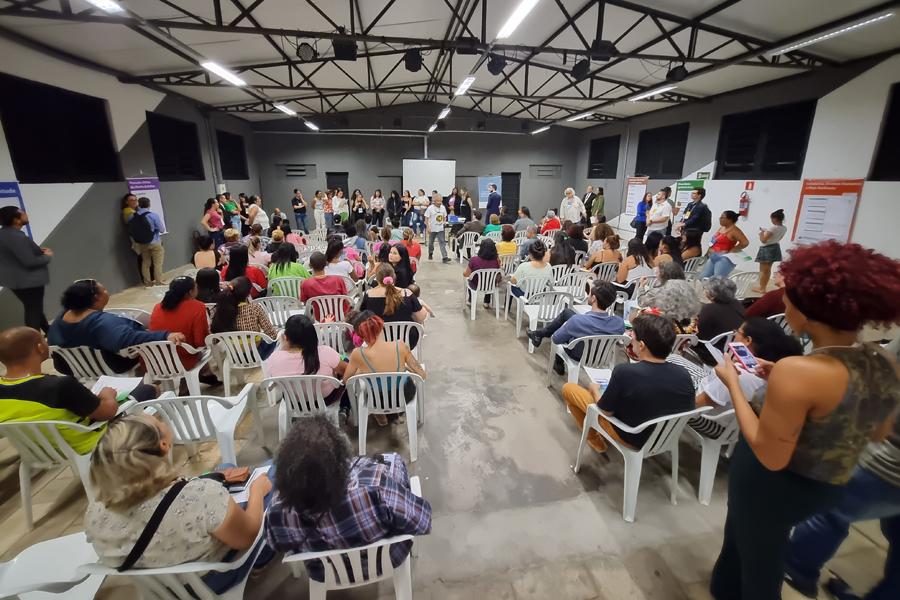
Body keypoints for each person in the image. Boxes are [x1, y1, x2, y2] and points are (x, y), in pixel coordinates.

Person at [707, 241, 900, 600]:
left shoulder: (800, 373)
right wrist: (782, 379)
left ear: (809, 312)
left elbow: (770, 454)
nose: (783, 304)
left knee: (759, 567)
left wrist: (734, 384)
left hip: (772, 487)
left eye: (788, 298)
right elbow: (878, 430)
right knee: (745, 547)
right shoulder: (880, 360)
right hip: (829, 483)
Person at [85, 413, 272, 591]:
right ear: (164, 444)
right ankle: (261, 559)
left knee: (226, 469)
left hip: (161, 588)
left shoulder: (96, 510)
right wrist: (257, 491)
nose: (164, 422)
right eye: (159, 422)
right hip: (213, 579)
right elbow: (247, 536)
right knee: (276, 474)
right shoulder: (203, 495)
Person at [265, 415, 431, 577]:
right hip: (385, 560)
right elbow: (421, 520)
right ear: (343, 459)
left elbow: (276, 543)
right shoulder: (376, 488)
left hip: (325, 572)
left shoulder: (277, 511)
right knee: (393, 462)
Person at [0, 326, 155, 454]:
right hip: (88, 443)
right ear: (40, 348)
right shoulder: (59, 386)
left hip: (41, 450)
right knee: (149, 389)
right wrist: (108, 395)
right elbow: (107, 412)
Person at [562, 313, 695, 453]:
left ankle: (595, 440)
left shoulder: (625, 372)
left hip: (630, 435)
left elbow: (605, 411)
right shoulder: (684, 374)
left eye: (633, 336)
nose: (631, 338)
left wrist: (594, 389)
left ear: (642, 345)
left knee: (569, 389)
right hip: (664, 437)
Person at [48, 279, 184, 374]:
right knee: (150, 347)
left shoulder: (60, 319)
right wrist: (165, 335)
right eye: (105, 290)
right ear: (96, 298)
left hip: (71, 367)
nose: (107, 292)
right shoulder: (101, 322)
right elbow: (125, 339)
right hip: (109, 366)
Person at [695, 318, 803, 411]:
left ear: (747, 340)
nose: (735, 335)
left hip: (700, 413)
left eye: (738, 332)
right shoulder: (771, 375)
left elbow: (695, 406)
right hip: (729, 424)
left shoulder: (735, 374)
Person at [343, 310, 427, 426]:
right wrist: (405, 367)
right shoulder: (400, 346)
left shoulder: (357, 354)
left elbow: (346, 380)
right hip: (403, 396)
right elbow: (422, 374)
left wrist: (361, 371)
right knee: (397, 381)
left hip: (376, 401)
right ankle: (396, 414)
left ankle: (382, 418)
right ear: (380, 326)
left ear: (359, 334)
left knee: (372, 386)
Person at [527, 280, 626, 373]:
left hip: (578, 355)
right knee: (567, 313)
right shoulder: (619, 323)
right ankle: (539, 334)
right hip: (602, 357)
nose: (588, 295)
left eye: (590, 293)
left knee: (566, 332)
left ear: (594, 298)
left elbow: (556, 339)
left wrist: (567, 327)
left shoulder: (577, 321)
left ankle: (558, 362)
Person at [265, 315, 347, 406]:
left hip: (294, 403)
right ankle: (344, 408)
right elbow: (346, 371)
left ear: (286, 337)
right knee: (345, 363)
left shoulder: (274, 359)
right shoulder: (325, 352)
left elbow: (274, 380)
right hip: (326, 400)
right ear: (313, 335)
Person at [149, 276, 215, 377]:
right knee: (206, 347)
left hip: (158, 359)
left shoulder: (158, 307)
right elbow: (200, 342)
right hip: (184, 360)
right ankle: (202, 376)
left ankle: (205, 376)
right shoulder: (198, 307)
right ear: (190, 292)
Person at [0, 206, 52, 333]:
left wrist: (37, 251)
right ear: (16, 220)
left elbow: (12, 256)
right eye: (22, 213)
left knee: (34, 307)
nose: (26, 214)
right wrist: (47, 256)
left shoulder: (3, 235)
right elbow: (30, 261)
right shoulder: (17, 237)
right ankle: (33, 344)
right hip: (29, 281)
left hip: (15, 281)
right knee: (33, 310)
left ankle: (48, 331)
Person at [360, 264, 427, 348]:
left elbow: (363, 318)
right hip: (406, 340)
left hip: (378, 341)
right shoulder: (407, 293)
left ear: (377, 279)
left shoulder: (368, 295)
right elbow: (421, 318)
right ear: (394, 277)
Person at [211, 277, 278, 359]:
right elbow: (271, 334)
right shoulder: (254, 308)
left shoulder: (220, 310)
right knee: (278, 339)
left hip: (234, 354)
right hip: (257, 354)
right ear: (248, 293)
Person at [639, 262, 701, 331]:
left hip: (667, 332)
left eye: (658, 273)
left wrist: (641, 287)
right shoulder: (690, 288)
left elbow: (641, 302)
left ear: (663, 275)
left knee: (641, 313)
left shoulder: (659, 291)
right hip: (689, 331)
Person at [700, 210, 749, 278]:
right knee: (704, 276)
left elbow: (745, 242)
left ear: (730, 220)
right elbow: (714, 240)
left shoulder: (735, 231)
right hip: (713, 256)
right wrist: (708, 250)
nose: (720, 219)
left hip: (724, 259)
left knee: (718, 279)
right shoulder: (722, 228)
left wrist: (733, 249)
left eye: (722, 217)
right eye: (720, 217)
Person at [698, 277, 745, 348]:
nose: (705, 291)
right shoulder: (737, 303)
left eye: (706, 290)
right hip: (733, 344)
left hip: (713, 348)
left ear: (712, 296)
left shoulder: (709, 309)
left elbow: (700, 332)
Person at [300, 252, 349, 316]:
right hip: (341, 317)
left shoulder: (305, 283)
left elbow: (306, 303)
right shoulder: (338, 280)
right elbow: (346, 300)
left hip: (320, 319)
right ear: (326, 264)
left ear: (310, 266)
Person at [754, 208, 787, 294]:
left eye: (771, 219)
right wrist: (766, 232)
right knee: (768, 269)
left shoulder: (773, 228)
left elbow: (763, 240)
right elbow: (776, 237)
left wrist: (761, 234)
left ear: (775, 218)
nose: (771, 221)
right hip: (775, 247)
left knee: (763, 270)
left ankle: (762, 288)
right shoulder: (784, 228)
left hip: (767, 249)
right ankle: (762, 287)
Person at [464, 239, 501, 307]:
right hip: (490, 285)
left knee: (469, 279)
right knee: (490, 279)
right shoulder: (497, 260)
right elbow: (498, 274)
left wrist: (464, 274)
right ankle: (486, 302)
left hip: (476, 285)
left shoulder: (473, 259)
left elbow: (467, 274)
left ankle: (470, 300)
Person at [425, 193, 450, 263]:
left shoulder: (443, 207)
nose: (440, 203)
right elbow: (426, 219)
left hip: (440, 228)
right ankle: (430, 253)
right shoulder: (430, 208)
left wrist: (444, 222)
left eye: (441, 201)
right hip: (432, 228)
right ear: (434, 201)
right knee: (431, 243)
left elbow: (445, 216)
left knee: (442, 242)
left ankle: (445, 257)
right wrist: (428, 227)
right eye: (438, 201)